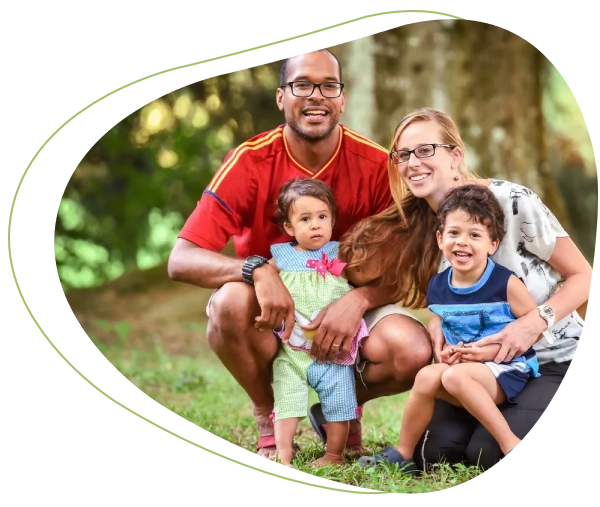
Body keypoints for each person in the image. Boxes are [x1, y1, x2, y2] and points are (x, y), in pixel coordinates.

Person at [167, 49, 433, 460]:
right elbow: (181, 259)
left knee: (412, 350)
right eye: (302, 85)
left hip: (352, 307)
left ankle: (338, 405)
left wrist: (357, 300)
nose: (316, 96)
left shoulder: (378, 165)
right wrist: (258, 270)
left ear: (342, 99)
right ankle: (268, 413)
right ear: (281, 97)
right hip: (273, 306)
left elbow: (404, 263)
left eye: (329, 86)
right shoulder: (250, 161)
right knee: (229, 304)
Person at [339, 107, 591, 472]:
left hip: (551, 359)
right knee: (434, 456)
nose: (413, 162)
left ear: (455, 155)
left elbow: (582, 275)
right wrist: (438, 325)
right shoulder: (431, 231)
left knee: (490, 454)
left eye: (425, 150)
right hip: (479, 368)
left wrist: (535, 321)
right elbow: (452, 297)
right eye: (403, 154)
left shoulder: (511, 202)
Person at [358, 183, 546, 473]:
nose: (462, 242)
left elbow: (534, 327)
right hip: (465, 370)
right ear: (440, 238)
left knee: (456, 378)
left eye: (474, 235)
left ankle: (510, 444)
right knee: (426, 376)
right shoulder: (438, 286)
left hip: (508, 369)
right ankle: (403, 453)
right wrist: (443, 347)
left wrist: (489, 353)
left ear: (492, 244)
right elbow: (445, 321)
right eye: (454, 233)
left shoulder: (505, 284)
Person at [267, 178, 368, 468]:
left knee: (340, 400)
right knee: (287, 397)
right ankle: (283, 452)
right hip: (292, 349)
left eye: (322, 217)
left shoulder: (342, 252)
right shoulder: (282, 256)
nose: (315, 225)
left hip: (333, 350)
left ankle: (334, 454)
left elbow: (365, 279)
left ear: (333, 220)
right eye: (305, 219)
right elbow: (265, 280)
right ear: (289, 227)